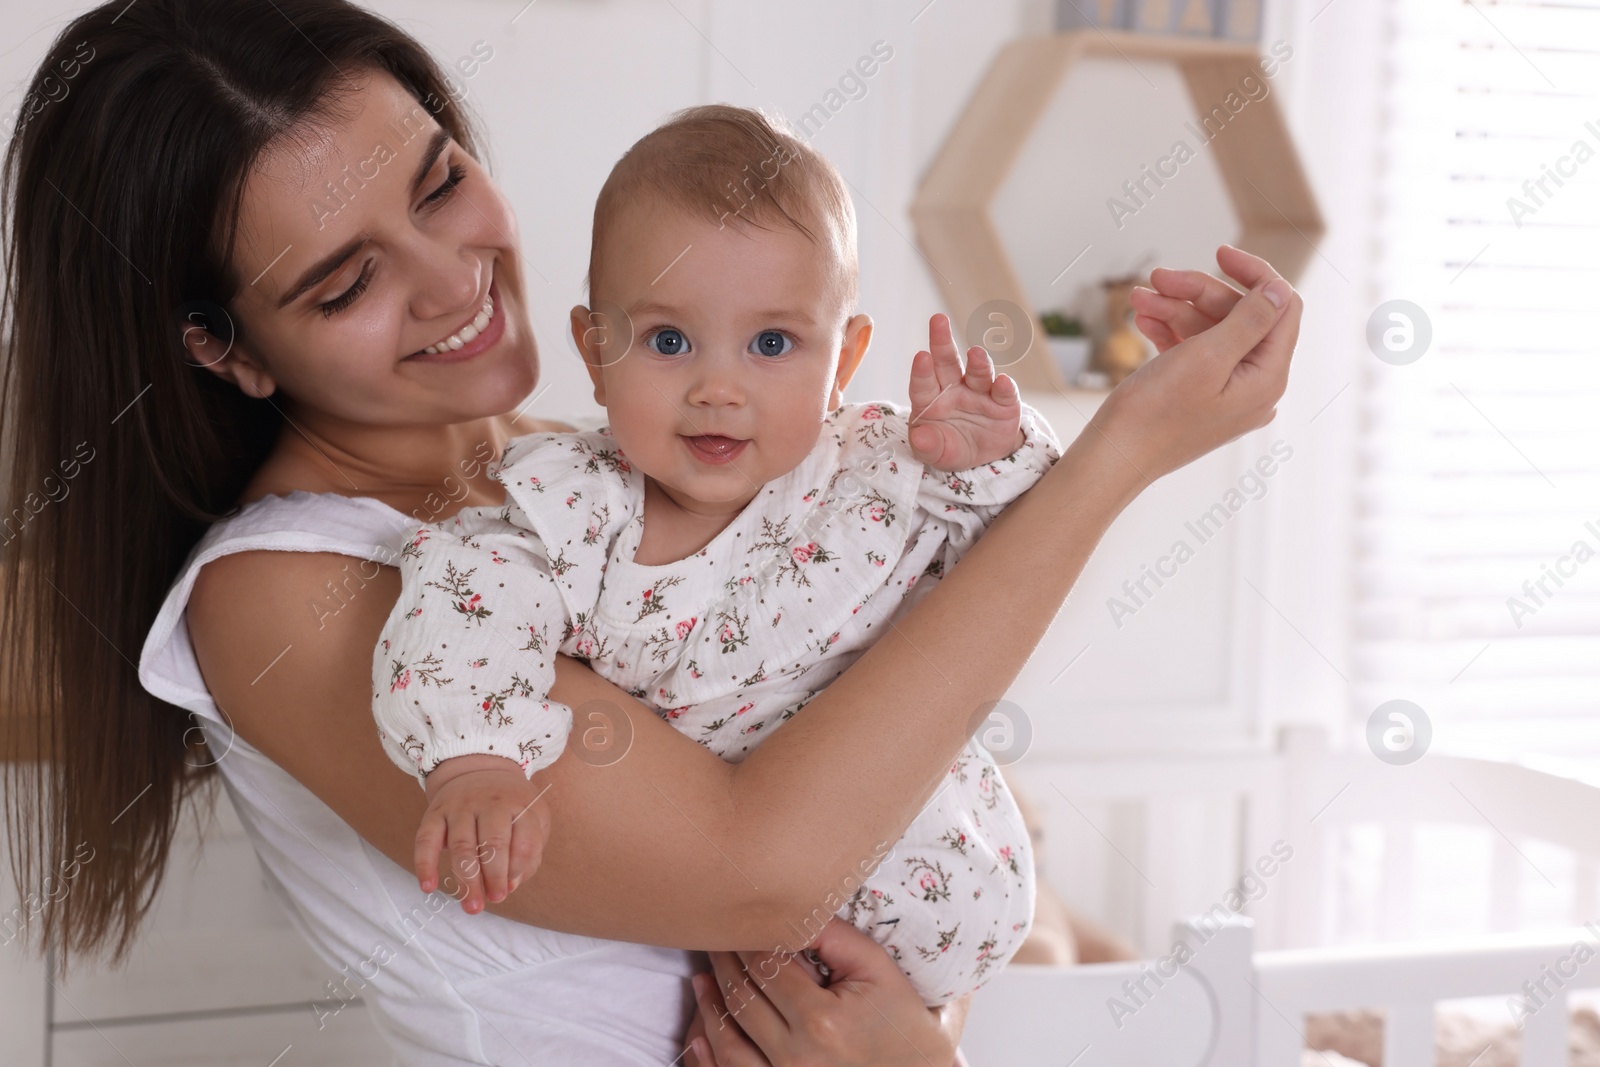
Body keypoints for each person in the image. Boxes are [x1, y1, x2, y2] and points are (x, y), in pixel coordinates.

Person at [0, 0, 1301, 1063]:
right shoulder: (279, 598)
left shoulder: (582, 472)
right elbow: (762, 871)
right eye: (347, 280)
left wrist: (923, 1032)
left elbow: (882, 792)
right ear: (222, 347)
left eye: (441, 184)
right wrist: (1124, 450)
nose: (454, 283)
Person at [375, 104, 1055, 1006]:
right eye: (668, 341)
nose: (718, 388)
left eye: (773, 343)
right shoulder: (577, 512)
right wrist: (476, 762)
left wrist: (995, 453)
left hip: (951, 870)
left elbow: (1021, 549)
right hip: (764, 945)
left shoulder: (872, 467)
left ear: (843, 357)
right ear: (595, 350)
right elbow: (467, 604)